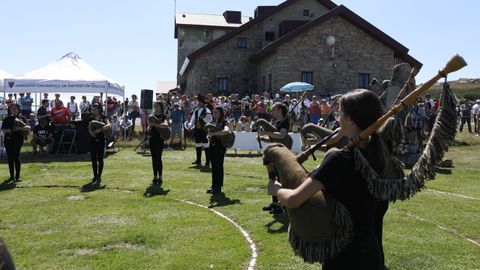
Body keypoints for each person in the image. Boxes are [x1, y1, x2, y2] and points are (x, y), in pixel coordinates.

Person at [267, 89, 389, 270]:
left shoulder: (339, 159)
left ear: (350, 119)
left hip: (343, 257)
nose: (338, 119)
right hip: (372, 254)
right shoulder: (380, 155)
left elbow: (294, 199)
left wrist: (275, 189)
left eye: (340, 113)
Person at [258, 102, 290, 215]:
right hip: (273, 152)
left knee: (279, 179)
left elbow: (282, 136)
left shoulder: (285, 122)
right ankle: (274, 203)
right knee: (272, 178)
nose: (272, 112)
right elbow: (273, 137)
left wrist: (266, 132)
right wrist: (263, 138)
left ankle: (281, 206)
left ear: (280, 110)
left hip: (280, 153)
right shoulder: (276, 122)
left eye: (274, 110)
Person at [206, 106, 230, 194]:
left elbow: (226, 131)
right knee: (213, 166)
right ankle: (213, 185)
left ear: (221, 113)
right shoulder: (212, 122)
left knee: (219, 166)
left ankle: (218, 186)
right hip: (212, 146)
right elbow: (209, 134)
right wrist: (209, 135)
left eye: (216, 112)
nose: (214, 114)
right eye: (214, 112)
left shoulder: (224, 122)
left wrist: (214, 133)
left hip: (220, 147)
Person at [1, 104, 27, 182]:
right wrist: (7, 130)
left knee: (16, 157)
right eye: (12, 109)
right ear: (10, 110)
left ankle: (17, 176)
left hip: (18, 140)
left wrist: (19, 128)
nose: (13, 110)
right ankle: (11, 176)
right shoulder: (6, 119)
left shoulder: (22, 118)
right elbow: (3, 129)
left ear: (18, 110)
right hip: (8, 140)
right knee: (10, 158)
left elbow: (28, 127)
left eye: (15, 109)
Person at [148, 101, 169, 186]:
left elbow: (166, 125)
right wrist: (149, 126)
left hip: (159, 139)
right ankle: (155, 177)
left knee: (158, 158)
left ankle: (160, 177)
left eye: (157, 106)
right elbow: (149, 126)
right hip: (152, 138)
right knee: (153, 158)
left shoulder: (164, 116)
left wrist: (155, 125)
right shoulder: (152, 117)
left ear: (161, 107)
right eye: (155, 106)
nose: (156, 108)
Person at [189, 95, 212, 167]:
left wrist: (203, 118)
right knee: (198, 144)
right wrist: (190, 126)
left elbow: (209, 120)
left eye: (200, 102)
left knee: (206, 145)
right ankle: (198, 161)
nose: (199, 103)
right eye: (198, 102)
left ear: (203, 103)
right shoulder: (196, 110)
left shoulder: (207, 110)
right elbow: (193, 120)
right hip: (197, 129)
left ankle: (208, 161)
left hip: (204, 130)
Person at [88, 103, 108, 185]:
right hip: (92, 140)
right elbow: (89, 128)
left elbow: (109, 125)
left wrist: (99, 130)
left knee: (100, 159)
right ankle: (95, 176)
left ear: (99, 109)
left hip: (101, 140)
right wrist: (92, 133)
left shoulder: (104, 117)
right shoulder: (91, 118)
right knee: (93, 159)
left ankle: (99, 176)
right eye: (92, 109)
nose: (93, 110)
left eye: (95, 109)